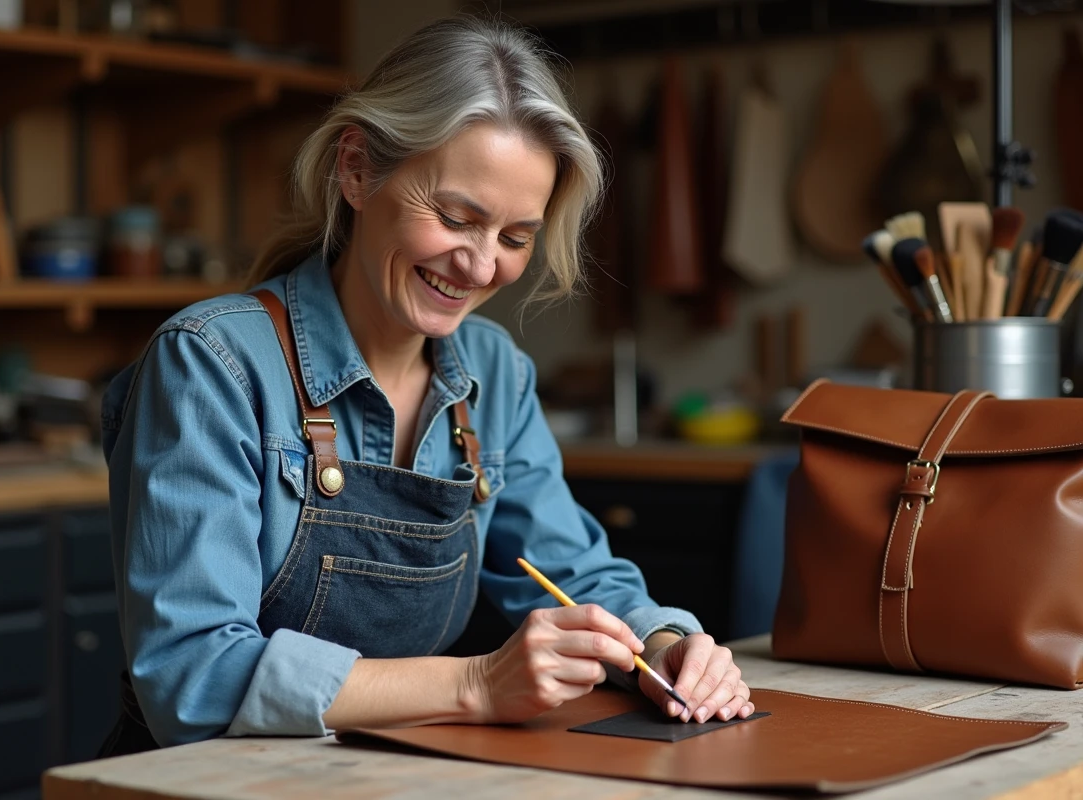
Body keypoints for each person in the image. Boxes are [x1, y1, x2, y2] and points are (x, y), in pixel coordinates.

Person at [98, 15, 753, 755]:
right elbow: (191, 678)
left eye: (514, 238)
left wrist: (664, 646)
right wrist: (474, 686)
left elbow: (573, 573)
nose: (478, 268)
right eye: (454, 217)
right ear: (356, 170)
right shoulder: (212, 362)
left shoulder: (494, 373)